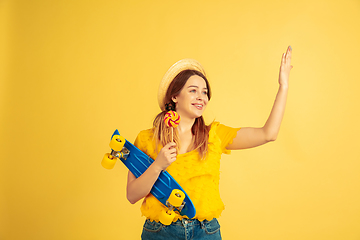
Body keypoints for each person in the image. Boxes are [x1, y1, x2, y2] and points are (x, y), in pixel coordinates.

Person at [127, 46, 293, 239]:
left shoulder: (214, 135)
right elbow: (132, 195)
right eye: (193, 90)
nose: (201, 97)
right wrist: (158, 166)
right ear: (175, 96)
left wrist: (284, 86)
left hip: (205, 232)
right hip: (160, 232)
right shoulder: (146, 139)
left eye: (204, 92)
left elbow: (268, 134)